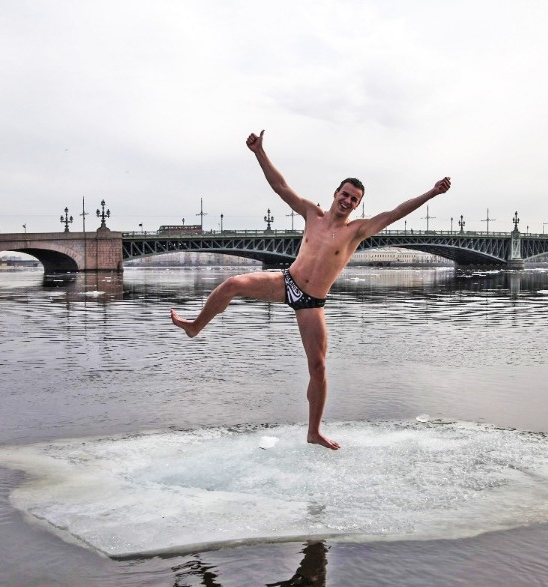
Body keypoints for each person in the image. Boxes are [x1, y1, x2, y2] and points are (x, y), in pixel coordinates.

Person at [171, 130, 451, 449]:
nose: (347, 201)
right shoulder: (311, 213)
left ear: (358, 205)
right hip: (286, 282)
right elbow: (281, 187)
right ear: (336, 193)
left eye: (354, 199)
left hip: (311, 302)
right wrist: (259, 152)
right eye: (345, 194)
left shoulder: (356, 231)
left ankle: (313, 432)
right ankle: (195, 326)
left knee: (318, 368)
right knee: (233, 284)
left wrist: (432, 193)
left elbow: (394, 214)